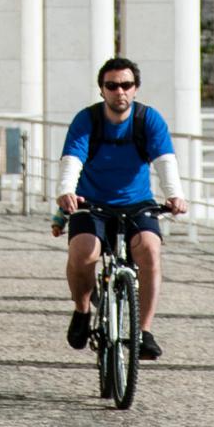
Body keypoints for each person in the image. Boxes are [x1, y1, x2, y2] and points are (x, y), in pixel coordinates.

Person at [54, 57, 188, 362]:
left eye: (126, 85)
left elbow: (165, 159)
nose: (119, 92)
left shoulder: (148, 119)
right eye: (111, 86)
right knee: (84, 253)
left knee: (150, 251)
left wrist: (175, 195)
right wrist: (66, 191)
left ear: (136, 89)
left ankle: (144, 331)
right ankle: (82, 309)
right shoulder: (87, 120)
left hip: (137, 204)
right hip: (92, 203)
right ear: (102, 90)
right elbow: (72, 158)